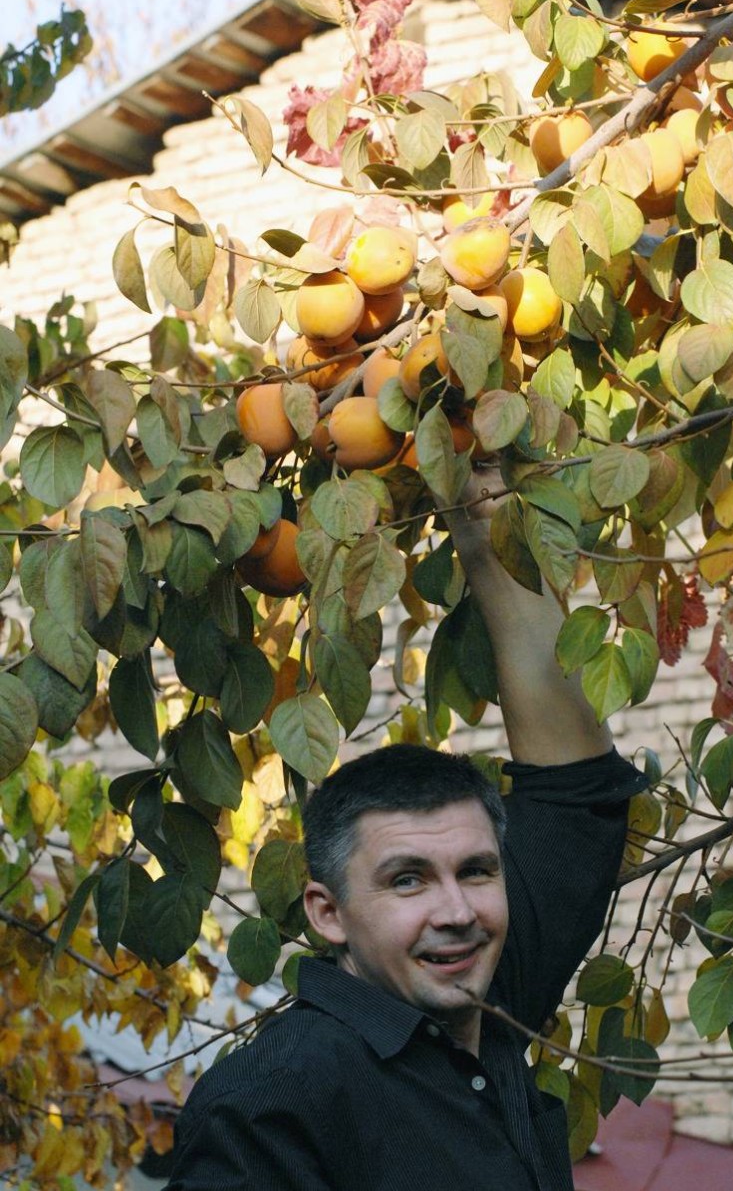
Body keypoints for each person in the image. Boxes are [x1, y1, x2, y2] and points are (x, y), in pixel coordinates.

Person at [165, 482, 646, 1190]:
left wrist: (482, 524)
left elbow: (576, 790)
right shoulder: (269, 1107)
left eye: (476, 870)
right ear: (328, 912)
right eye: (407, 879)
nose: (456, 911)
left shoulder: (487, 997)